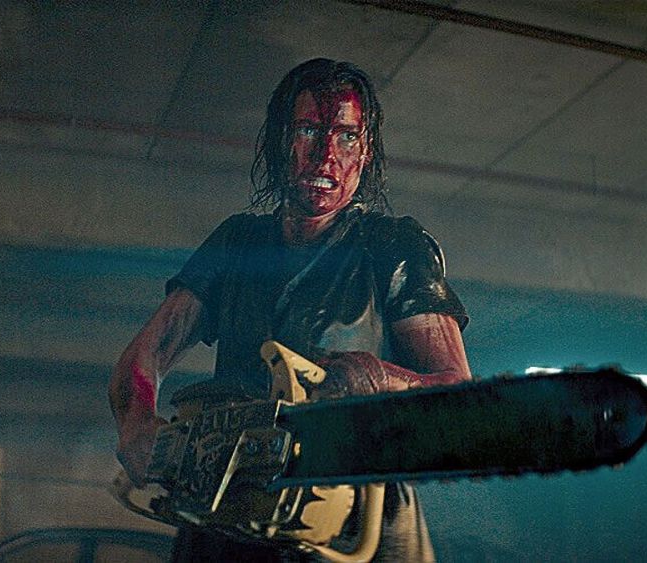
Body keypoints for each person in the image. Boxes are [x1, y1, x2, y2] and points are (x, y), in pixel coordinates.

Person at [109, 58, 471, 561]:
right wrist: (137, 421)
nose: (327, 157)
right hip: (231, 505)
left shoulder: (393, 248)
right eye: (309, 132)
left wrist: (379, 379)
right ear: (281, 141)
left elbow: (458, 394)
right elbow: (146, 354)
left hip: (349, 520)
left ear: (366, 151)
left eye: (347, 137)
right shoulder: (238, 243)